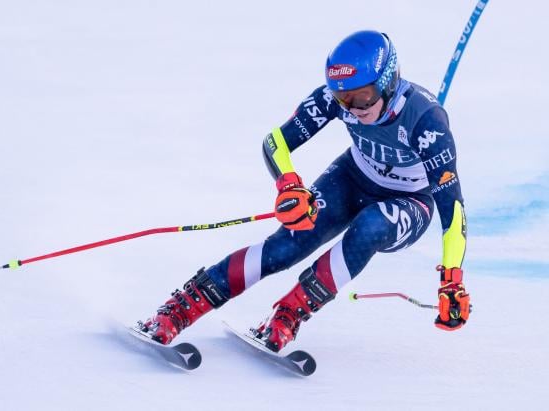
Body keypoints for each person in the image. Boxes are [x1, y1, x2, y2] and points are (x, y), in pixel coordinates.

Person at [139, 30, 471, 352]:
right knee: (285, 247)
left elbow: (452, 207)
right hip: (353, 177)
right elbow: (276, 142)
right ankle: (181, 308)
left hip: (411, 200)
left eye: (362, 96)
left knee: (371, 226)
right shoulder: (336, 99)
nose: (353, 107)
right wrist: (289, 185)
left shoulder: (427, 121)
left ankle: (289, 313)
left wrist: (451, 277)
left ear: (388, 80)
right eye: (344, 97)